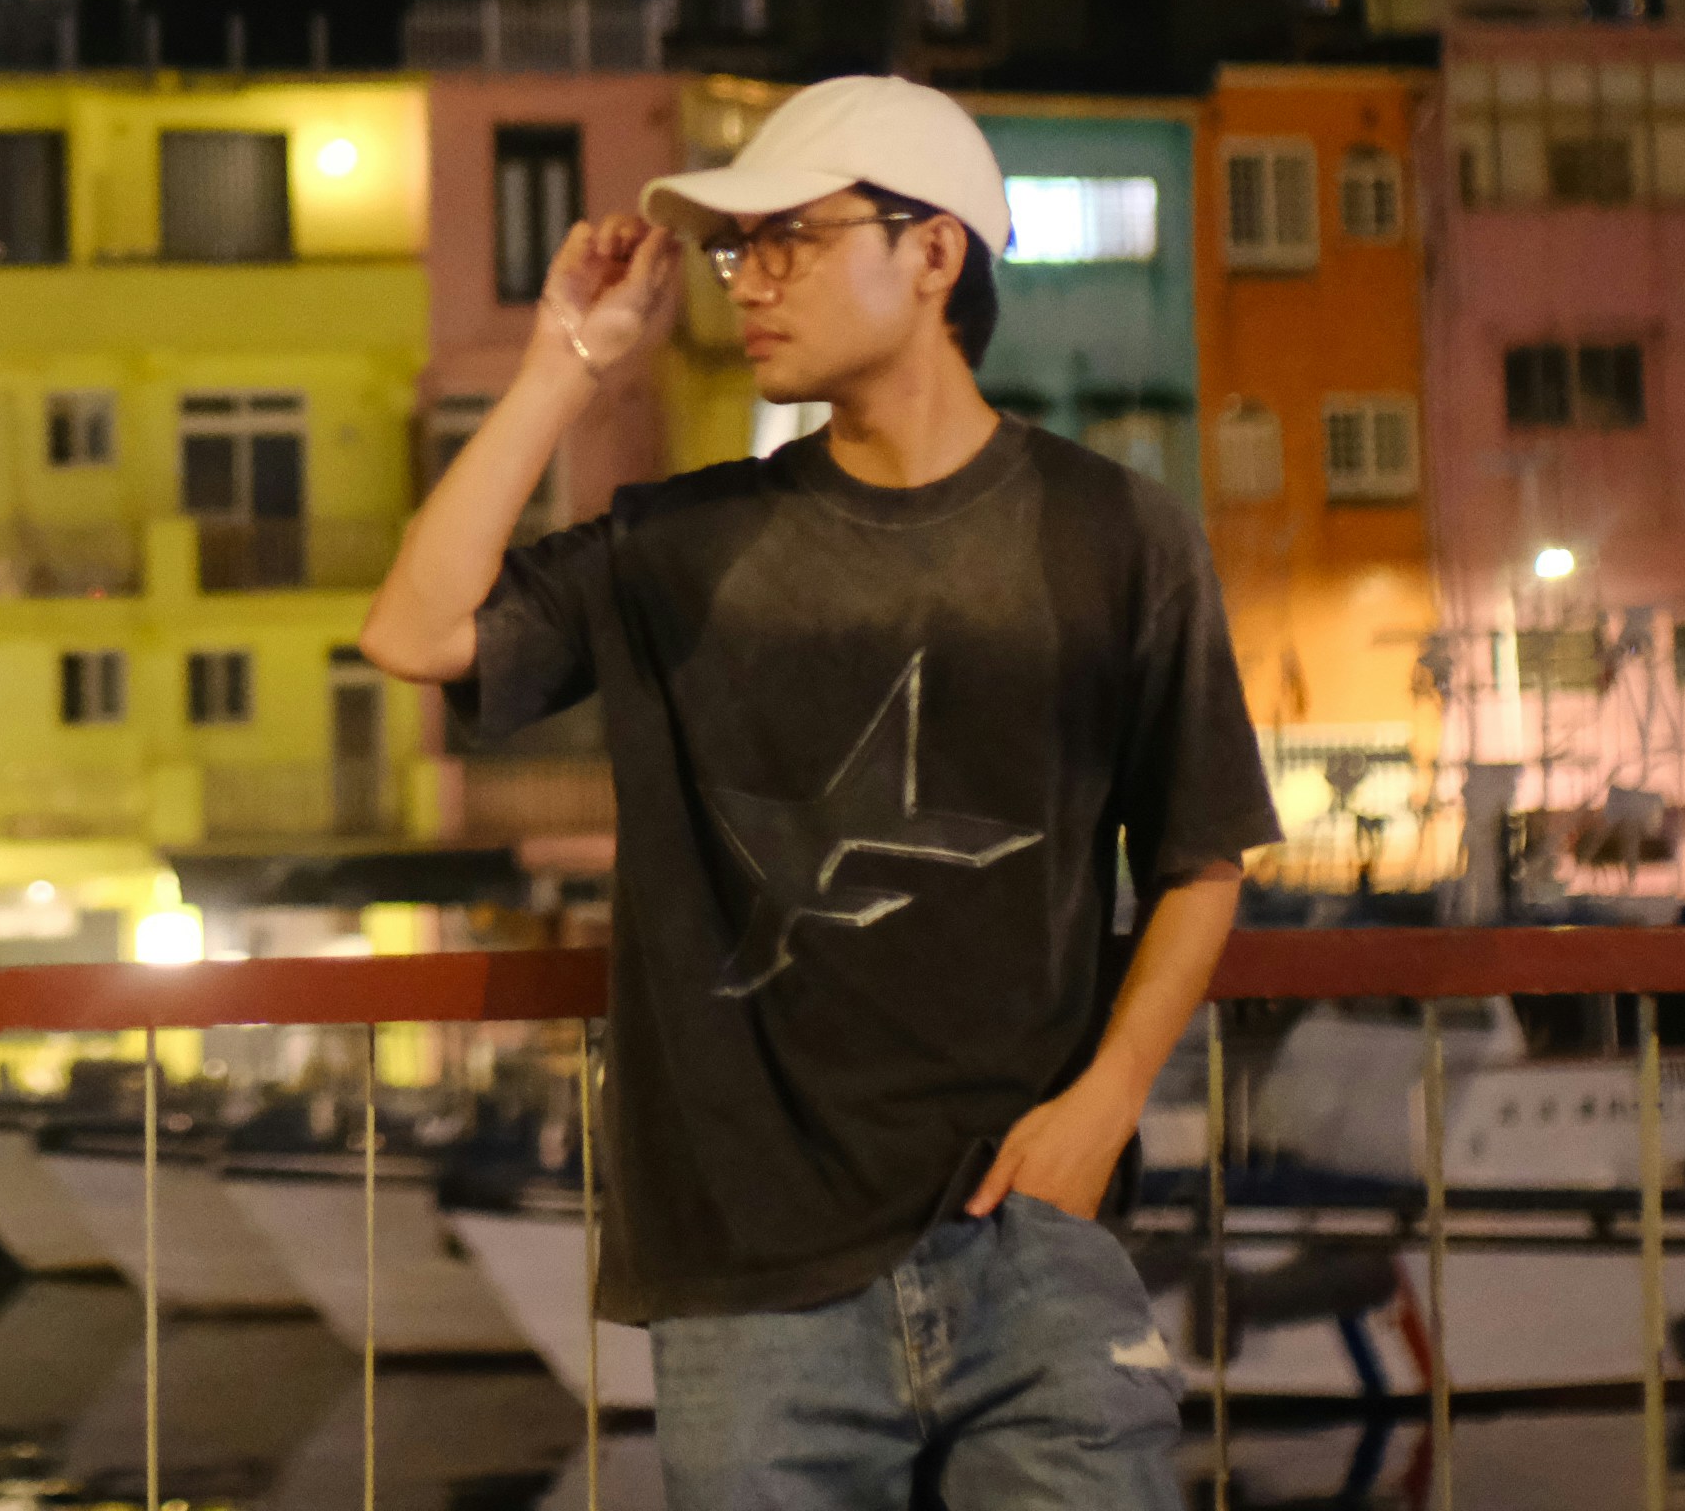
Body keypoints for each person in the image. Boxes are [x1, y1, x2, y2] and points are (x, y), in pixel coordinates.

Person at [360, 74, 1277, 1511]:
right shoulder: (688, 543)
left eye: (792, 236)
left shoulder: (1116, 537)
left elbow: (1204, 853)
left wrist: (1107, 1104)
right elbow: (413, 634)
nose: (751, 280)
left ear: (933, 254)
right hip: (749, 1272)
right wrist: (560, 363)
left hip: (1030, 1237)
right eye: (740, 248)